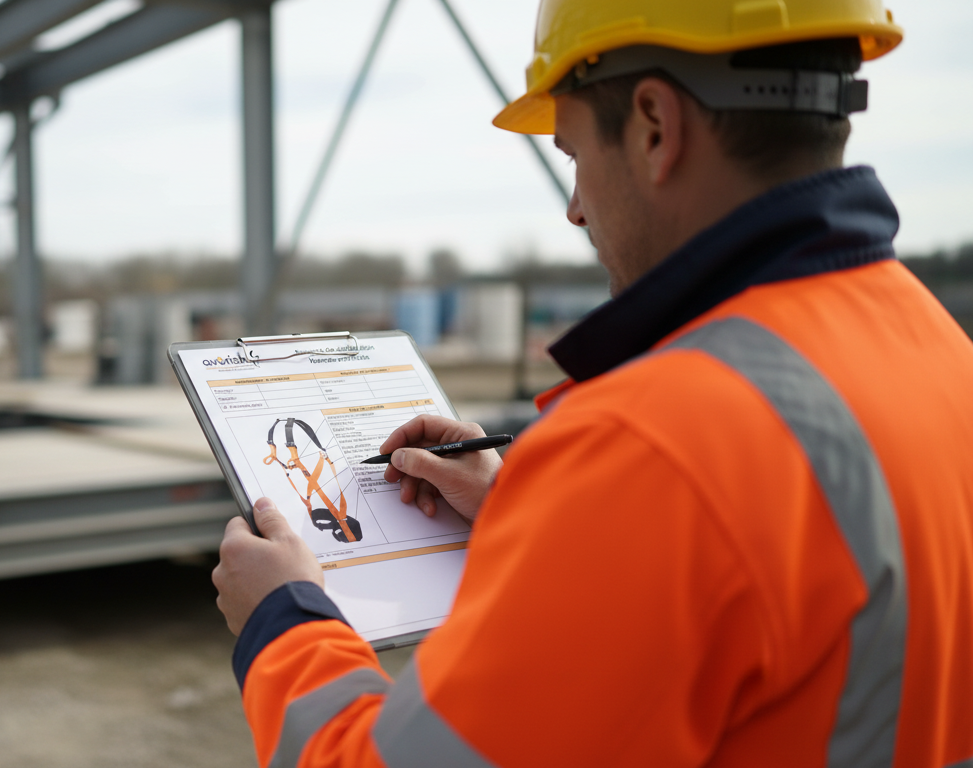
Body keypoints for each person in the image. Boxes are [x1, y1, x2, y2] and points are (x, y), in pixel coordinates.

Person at [212, 0, 973, 764]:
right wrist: (537, 513)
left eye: (571, 153)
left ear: (653, 126)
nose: (575, 210)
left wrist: (284, 622)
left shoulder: (653, 446)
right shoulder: (935, 349)